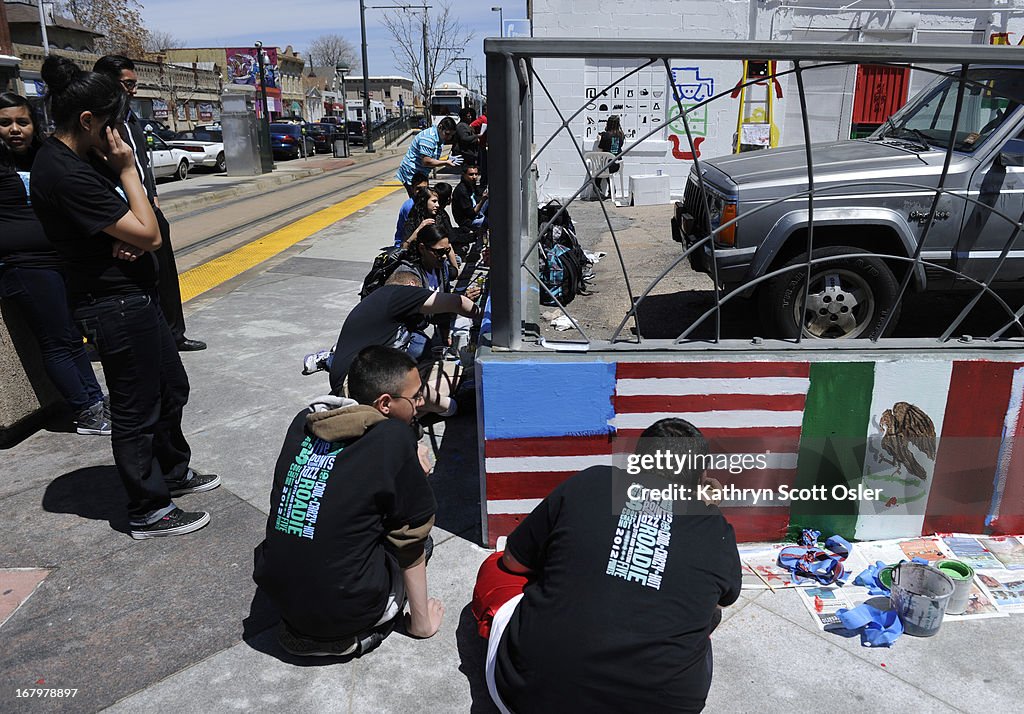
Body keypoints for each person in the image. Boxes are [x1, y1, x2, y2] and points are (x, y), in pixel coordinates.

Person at [31, 55, 219, 539]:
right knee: (136, 410)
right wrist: (129, 172)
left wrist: (131, 229)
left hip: (134, 297)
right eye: (113, 124)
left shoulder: (78, 160)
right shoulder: (63, 170)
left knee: (171, 388)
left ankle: (173, 474)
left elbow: (135, 229)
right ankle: (148, 509)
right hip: (112, 304)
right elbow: (150, 234)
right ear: (88, 121)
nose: (118, 136)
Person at [480, 417, 742, 713]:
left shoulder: (594, 480)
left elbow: (513, 562)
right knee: (701, 616)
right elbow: (724, 599)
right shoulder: (714, 526)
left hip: (529, 697)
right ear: (701, 477)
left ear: (636, 463)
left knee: (495, 567)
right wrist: (708, 509)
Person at [254, 345, 444, 657]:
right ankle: (352, 637)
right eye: (415, 397)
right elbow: (409, 537)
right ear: (384, 404)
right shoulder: (393, 438)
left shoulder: (304, 421)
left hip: (282, 599)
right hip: (347, 613)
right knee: (422, 543)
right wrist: (422, 624)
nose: (421, 402)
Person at [0, 92, 110, 436]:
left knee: (71, 334)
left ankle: (95, 398)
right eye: (5, 123)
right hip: (24, 265)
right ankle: (86, 410)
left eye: (22, 121)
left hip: (60, 258)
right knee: (56, 339)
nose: (15, 129)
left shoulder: (45, 157)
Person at [93, 55, 206, 352]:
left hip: (148, 205)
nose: (132, 90)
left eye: (134, 84)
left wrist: (152, 192)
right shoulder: (98, 123)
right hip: (122, 211)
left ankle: (175, 334)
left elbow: (142, 163)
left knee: (166, 273)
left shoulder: (131, 118)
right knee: (140, 278)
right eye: (128, 84)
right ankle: (149, 339)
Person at [396, 116, 460, 190]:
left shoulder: (439, 136)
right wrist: (445, 162)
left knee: (424, 198)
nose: (449, 137)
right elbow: (426, 161)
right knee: (419, 199)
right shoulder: (428, 138)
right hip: (412, 173)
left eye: (452, 135)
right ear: (440, 127)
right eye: (447, 134)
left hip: (421, 172)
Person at [394, 172, 430, 248]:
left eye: (425, 188)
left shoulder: (429, 202)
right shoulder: (409, 206)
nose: (422, 191)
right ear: (412, 189)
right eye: (418, 188)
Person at [595, 114, 625, 199]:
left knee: (600, 171)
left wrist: (600, 138)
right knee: (608, 170)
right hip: (617, 164)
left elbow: (600, 150)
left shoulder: (605, 135)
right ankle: (611, 190)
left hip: (606, 165)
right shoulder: (621, 135)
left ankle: (597, 187)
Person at [452, 164, 488, 231]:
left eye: (476, 174)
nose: (474, 177)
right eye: (471, 174)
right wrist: (483, 200)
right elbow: (471, 214)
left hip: (476, 213)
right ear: (464, 175)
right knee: (493, 221)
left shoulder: (471, 185)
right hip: (469, 220)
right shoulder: (462, 191)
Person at [469, 105, 488, 187]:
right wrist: (477, 135)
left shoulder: (486, 118)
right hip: (483, 145)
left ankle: (485, 180)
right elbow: (471, 126)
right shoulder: (483, 118)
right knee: (484, 164)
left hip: (485, 144)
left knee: (486, 164)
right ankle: (483, 181)